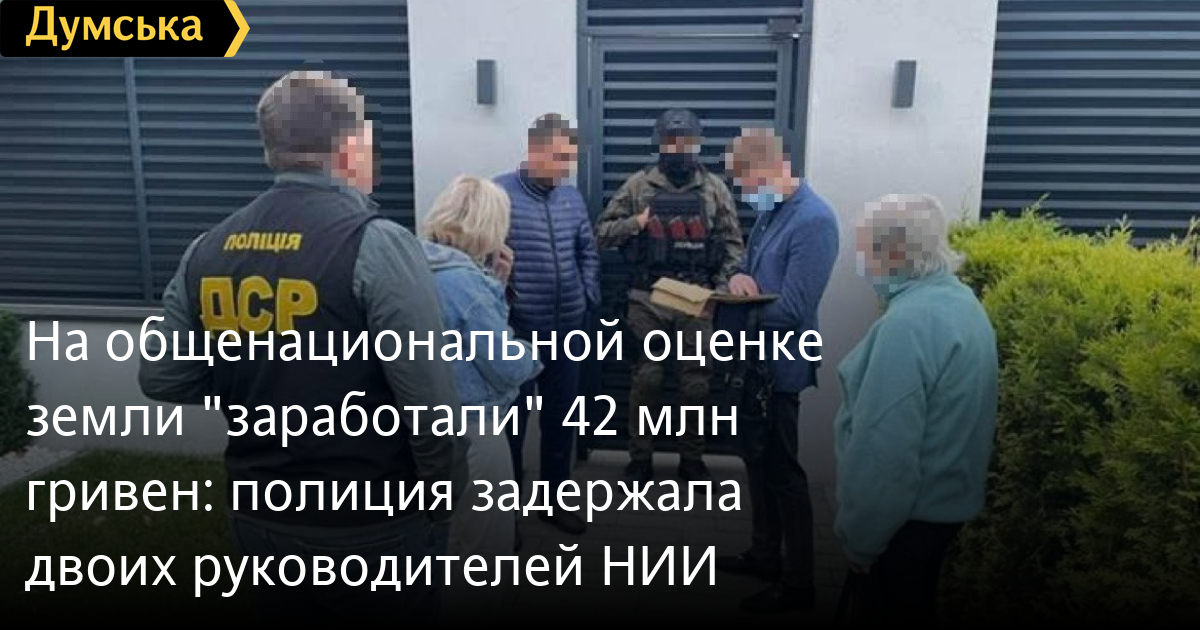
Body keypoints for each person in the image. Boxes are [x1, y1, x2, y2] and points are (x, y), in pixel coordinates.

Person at [137, 70, 466, 621]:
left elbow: (163, 376)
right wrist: (442, 499)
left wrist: (257, 372)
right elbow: (431, 408)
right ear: (350, 145)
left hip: (261, 518)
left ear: (273, 149)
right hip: (371, 524)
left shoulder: (208, 248)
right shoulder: (377, 242)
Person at [834, 193, 998, 625]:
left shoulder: (907, 326)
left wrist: (861, 541)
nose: (862, 264)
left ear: (895, 254)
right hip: (941, 515)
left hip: (903, 525)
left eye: (866, 252)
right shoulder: (961, 303)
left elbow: (885, 451)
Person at [715, 127, 839, 613]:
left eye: (744, 181)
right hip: (753, 361)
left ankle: (798, 582)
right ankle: (764, 555)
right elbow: (744, 268)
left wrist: (729, 308)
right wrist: (735, 280)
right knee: (756, 460)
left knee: (784, 470)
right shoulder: (770, 213)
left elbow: (793, 309)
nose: (743, 192)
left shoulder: (814, 220)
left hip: (782, 368)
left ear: (771, 168)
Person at [594, 108, 744, 484]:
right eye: (671, 141)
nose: (679, 148)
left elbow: (733, 245)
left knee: (696, 384)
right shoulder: (638, 186)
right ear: (659, 144)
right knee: (647, 379)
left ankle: (692, 461)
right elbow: (602, 234)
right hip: (649, 297)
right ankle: (640, 459)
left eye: (686, 141)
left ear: (697, 144)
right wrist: (636, 223)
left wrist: (719, 292)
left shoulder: (714, 188)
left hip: (697, 298)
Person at [419, 174, 542, 615]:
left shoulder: (416, 264)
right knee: (483, 555)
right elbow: (504, 365)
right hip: (473, 430)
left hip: (425, 429)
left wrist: (496, 285)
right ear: (490, 225)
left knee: (443, 545)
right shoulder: (464, 283)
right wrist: (533, 353)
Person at [494, 113, 600, 536]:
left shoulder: (571, 198)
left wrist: (587, 295)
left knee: (561, 420)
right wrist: (505, 304)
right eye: (558, 158)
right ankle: (507, 517)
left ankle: (554, 501)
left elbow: (587, 251)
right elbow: (484, 256)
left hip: (568, 330)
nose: (565, 168)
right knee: (512, 427)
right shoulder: (499, 194)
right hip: (519, 333)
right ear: (534, 150)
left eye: (569, 159)